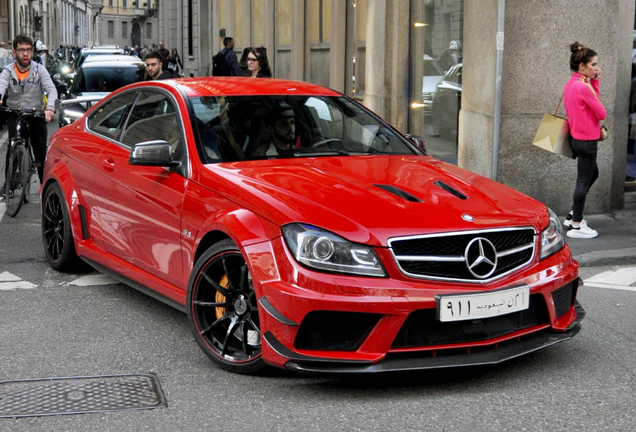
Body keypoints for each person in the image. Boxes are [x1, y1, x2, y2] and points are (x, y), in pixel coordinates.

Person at [0, 34, 57, 194]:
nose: (25, 54)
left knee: (40, 154)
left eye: (28, 50)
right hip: (15, 113)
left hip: (36, 114)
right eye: (21, 50)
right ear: (14, 53)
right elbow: (1, 85)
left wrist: (50, 108)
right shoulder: (7, 71)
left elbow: (51, 89)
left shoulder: (40, 70)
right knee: (13, 146)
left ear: (32, 52)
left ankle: (45, 189)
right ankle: (9, 186)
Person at [562, 41, 606, 239]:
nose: (596, 68)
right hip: (587, 141)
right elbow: (601, 112)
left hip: (576, 137)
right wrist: (594, 84)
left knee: (592, 173)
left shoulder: (573, 83)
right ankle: (576, 225)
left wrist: (595, 81)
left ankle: (573, 214)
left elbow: (591, 99)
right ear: (582, 66)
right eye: (594, 65)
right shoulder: (583, 87)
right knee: (583, 180)